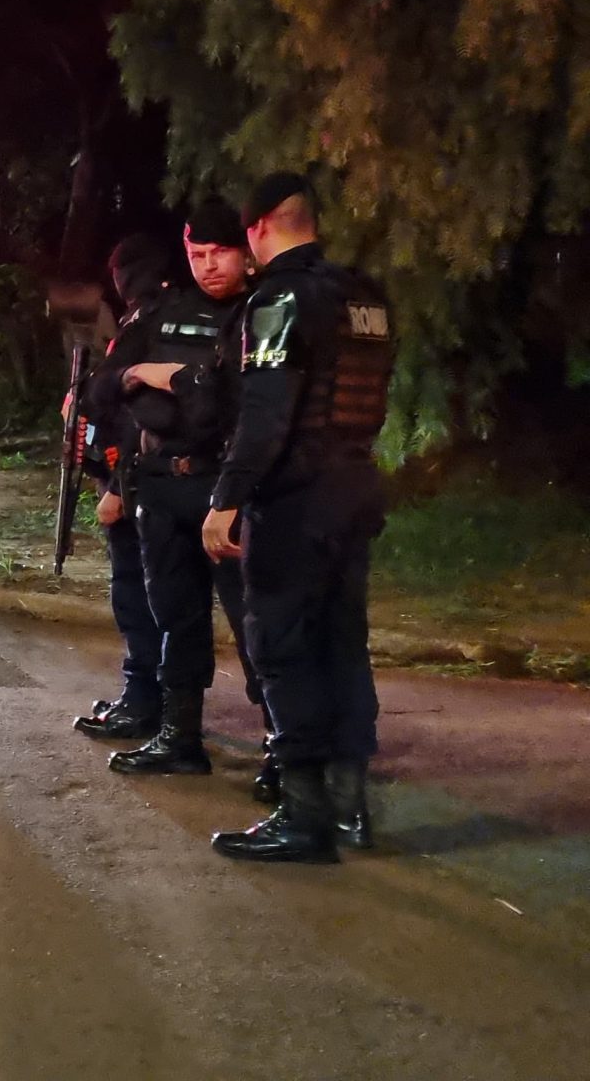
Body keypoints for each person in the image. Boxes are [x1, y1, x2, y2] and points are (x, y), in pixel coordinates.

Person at [201, 173, 392, 864]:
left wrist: (226, 498)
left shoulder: (279, 299)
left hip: (295, 497)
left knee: (282, 645)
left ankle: (303, 815)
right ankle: (352, 810)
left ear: (256, 230)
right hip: (355, 486)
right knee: (343, 643)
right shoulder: (365, 296)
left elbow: (266, 414)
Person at [104, 199, 264, 783]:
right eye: (197, 254)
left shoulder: (263, 312)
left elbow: (234, 407)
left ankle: (282, 749)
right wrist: (138, 378)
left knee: (255, 623)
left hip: (229, 487)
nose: (209, 266)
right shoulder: (164, 311)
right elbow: (106, 390)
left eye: (220, 253)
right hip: (166, 486)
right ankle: (179, 736)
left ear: (247, 251)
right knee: (176, 617)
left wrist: (173, 384)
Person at [71, 235, 174, 743]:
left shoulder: (146, 323)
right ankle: (170, 711)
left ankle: (145, 700)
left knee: (138, 593)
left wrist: (116, 486)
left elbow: (123, 407)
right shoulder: (193, 315)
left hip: (140, 485)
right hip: (173, 484)